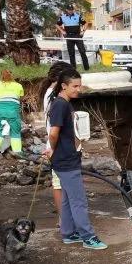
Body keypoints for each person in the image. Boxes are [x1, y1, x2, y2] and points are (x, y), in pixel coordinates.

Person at [43, 68, 107, 250]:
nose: (78, 89)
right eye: (75, 86)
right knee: (79, 201)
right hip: (66, 161)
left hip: (65, 159)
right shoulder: (60, 105)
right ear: (63, 86)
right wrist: (52, 150)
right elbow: (54, 133)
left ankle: (68, 232)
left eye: (79, 85)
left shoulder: (62, 103)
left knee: (67, 198)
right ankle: (88, 237)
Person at [38, 62, 74, 215]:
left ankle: (64, 219)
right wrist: (53, 149)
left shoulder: (51, 93)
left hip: (58, 146)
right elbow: (54, 132)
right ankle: (63, 220)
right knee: (60, 185)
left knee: (61, 183)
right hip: (59, 147)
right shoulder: (56, 97)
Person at [0, 68, 25, 156]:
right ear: (12, 75)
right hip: (12, 112)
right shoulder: (18, 86)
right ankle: (18, 152)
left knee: (0, 131)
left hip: (0, 111)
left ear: (2, 76)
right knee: (15, 132)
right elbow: (20, 99)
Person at [57, 5, 90, 71]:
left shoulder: (77, 16)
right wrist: (62, 31)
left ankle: (87, 68)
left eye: (72, 9)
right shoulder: (62, 17)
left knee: (82, 51)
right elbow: (57, 24)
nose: (71, 11)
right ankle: (73, 69)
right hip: (69, 36)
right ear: (66, 10)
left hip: (77, 35)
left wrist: (83, 31)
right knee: (71, 53)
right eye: (69, 10)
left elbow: (86, 23)